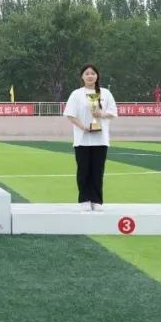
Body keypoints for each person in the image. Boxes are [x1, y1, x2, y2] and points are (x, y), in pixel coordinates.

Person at [63, 64, 119, 212]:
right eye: (87, 73)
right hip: (82, 139)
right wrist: (83, 127)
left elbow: (113, 113)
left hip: (100, 139)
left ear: (97, 76)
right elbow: (70, 115)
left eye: (93, 73)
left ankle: (96, 200)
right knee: (83, 171)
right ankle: (84, 199)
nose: (90, 76)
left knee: (97, 171)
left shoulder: (105, 93)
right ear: (82, 76)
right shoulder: (76, 94)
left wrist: (102, 114)